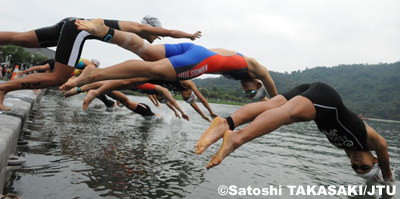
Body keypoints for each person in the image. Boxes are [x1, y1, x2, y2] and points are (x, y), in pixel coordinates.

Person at [195, 82, 393, 182]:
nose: (357, 164)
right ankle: (236, 138)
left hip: (315, 100)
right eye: (365, 167)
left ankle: (225, 124)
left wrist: (369, 178)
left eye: (355, 168)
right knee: (284, 113)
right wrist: (388, 182)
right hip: (327, 99)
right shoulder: (375, 142)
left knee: (275, 109)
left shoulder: (349, 149)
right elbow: (387, 167)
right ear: (374, 160)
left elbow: (356, 156)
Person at [0, 16, 201, 110]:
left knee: (21, 38)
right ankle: (4, 88)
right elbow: (169, 33)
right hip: (79, 30)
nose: (158, 38)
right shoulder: (136, 28)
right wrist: (189, 35)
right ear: (150, 28)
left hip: (69, 22)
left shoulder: (129, 27)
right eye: (156, 33)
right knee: (58, 77)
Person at [60, 19, 278, 102]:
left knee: (147, 52)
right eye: (251, 92)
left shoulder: (244, 72)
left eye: (247, 95)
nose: (246, 91)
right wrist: (278, 100)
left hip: (192, 51)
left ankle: (105, 31)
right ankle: (95, 74)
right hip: (200, 58)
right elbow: (268, 78)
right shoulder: (255, 69)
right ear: (258, 85)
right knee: (152, 70)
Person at [64, 81, 190, 121]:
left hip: (142, 107)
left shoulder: (154, 92)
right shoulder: (159, 91)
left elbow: (171, 103)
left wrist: (177, 113)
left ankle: (89, 89)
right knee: (124, 98)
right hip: (143, 108)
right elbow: (172, 102)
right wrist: (180, 113)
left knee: (121, 97)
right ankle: (93, 91)